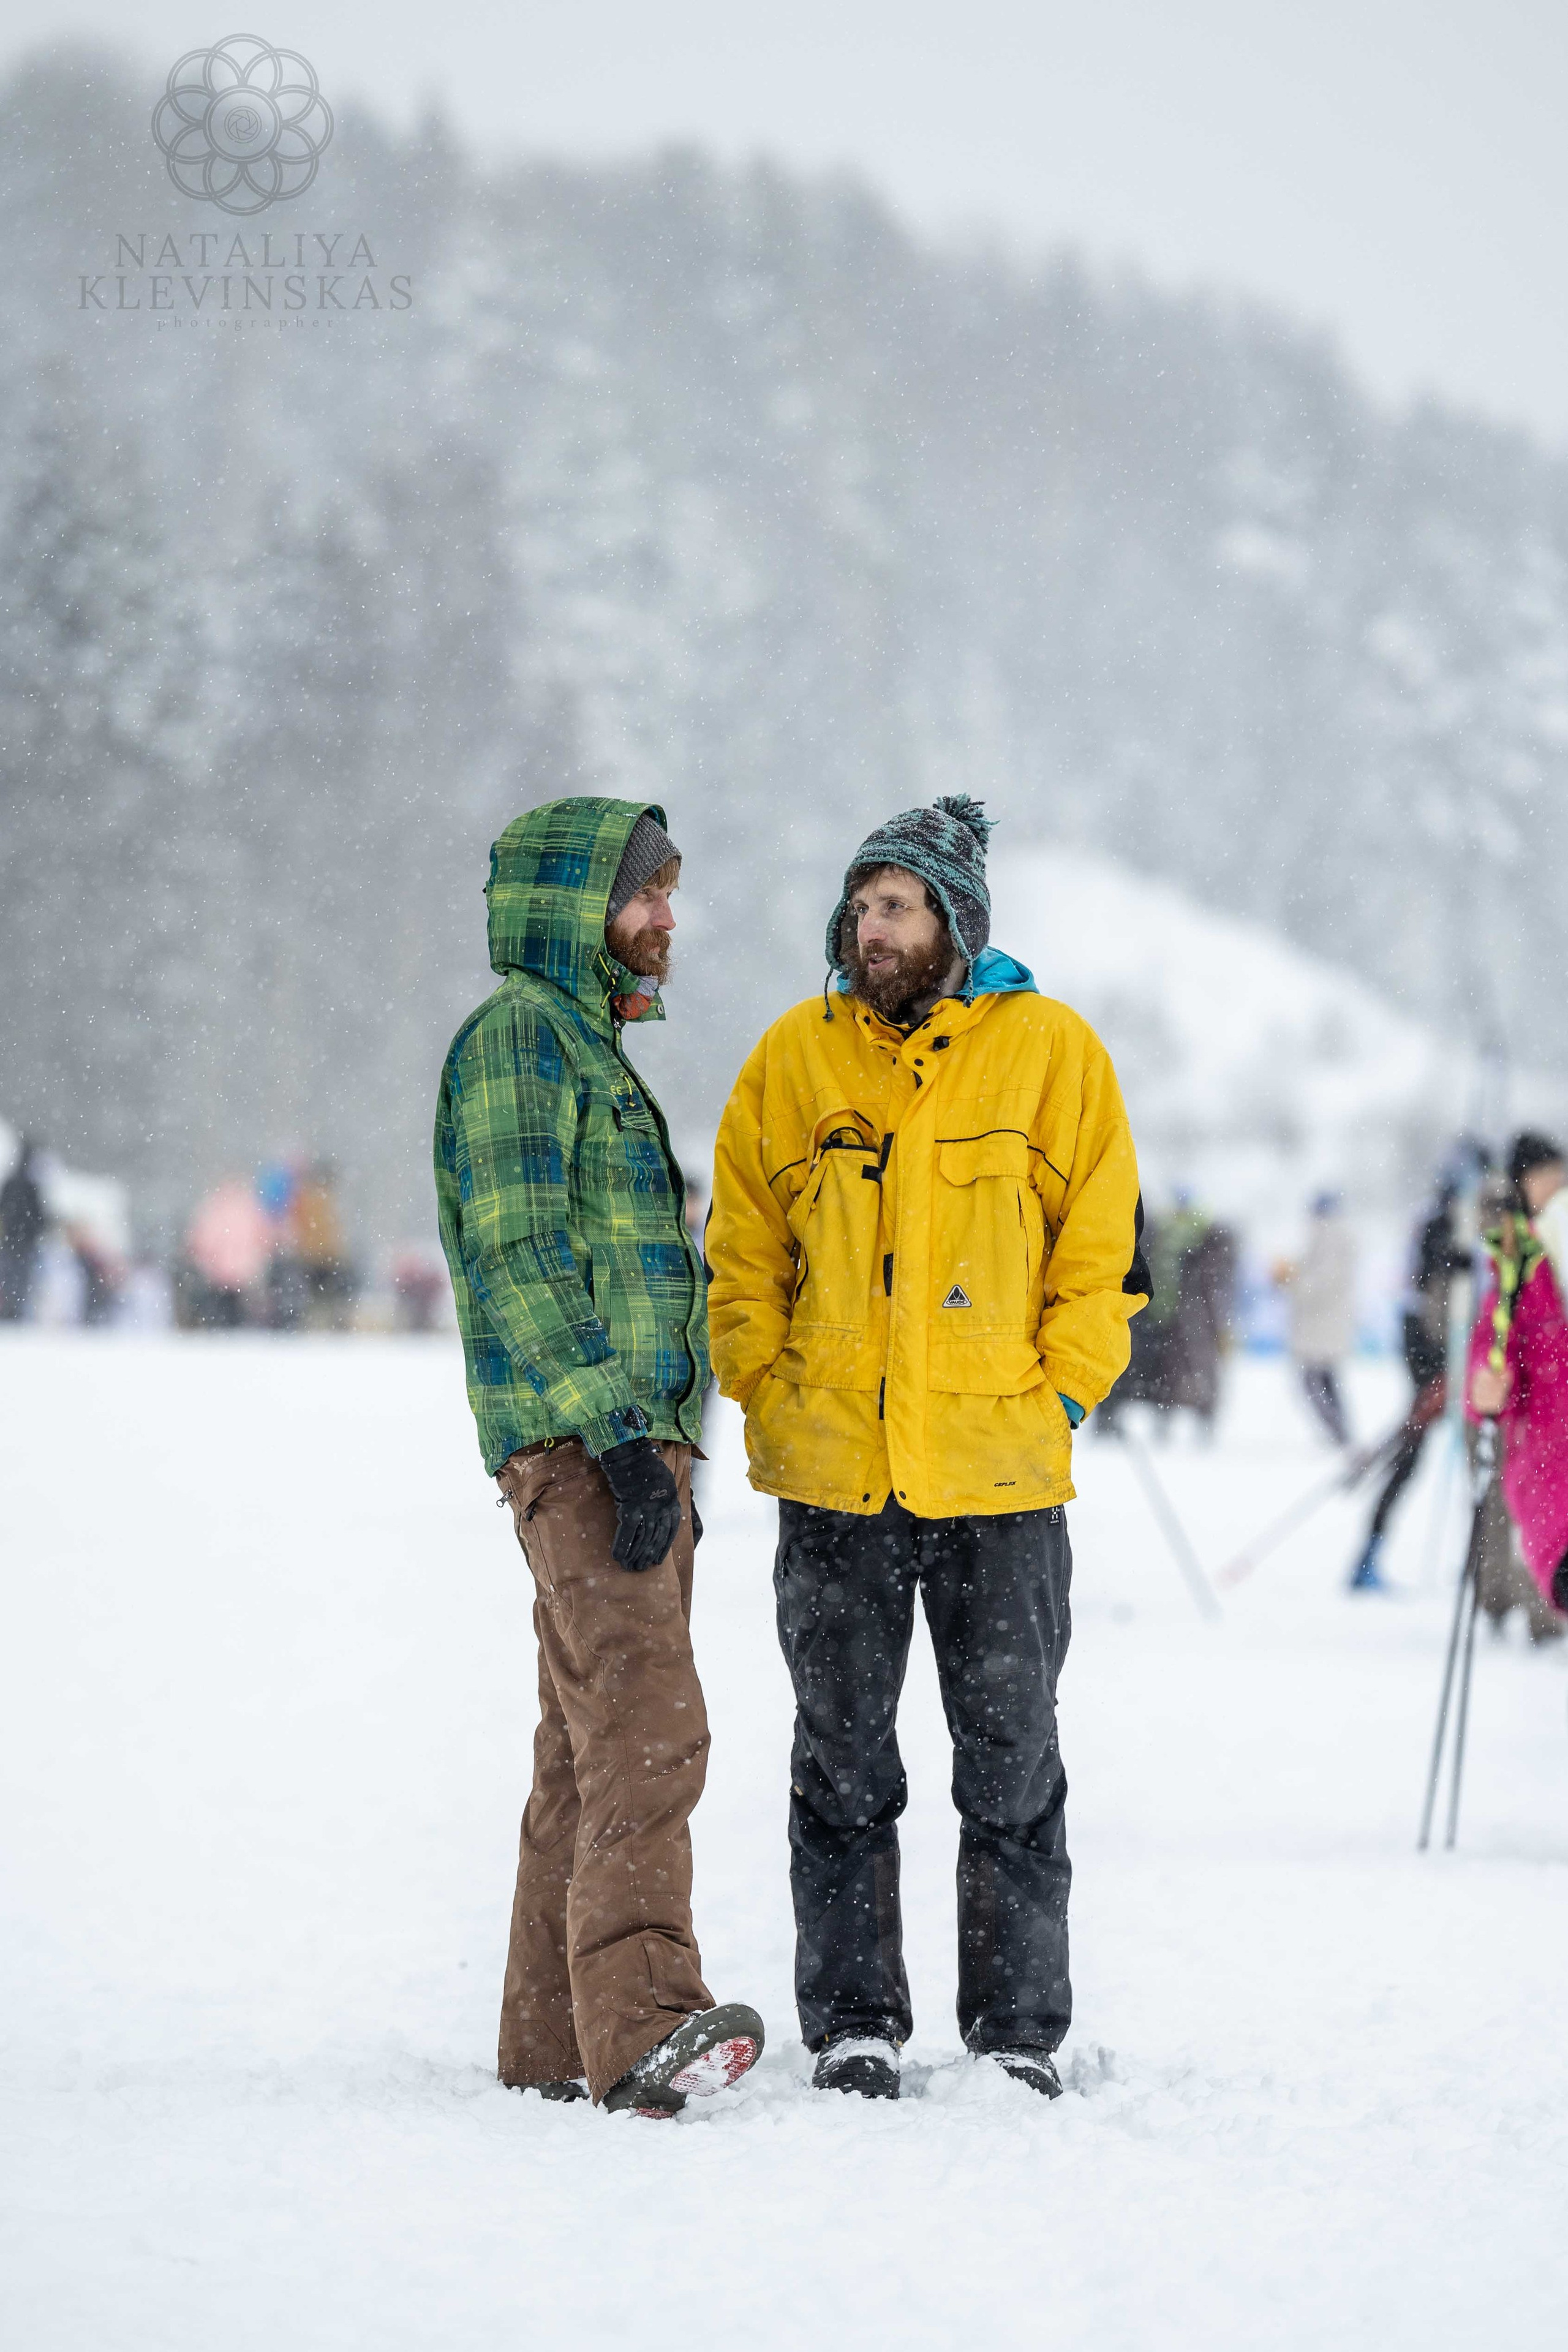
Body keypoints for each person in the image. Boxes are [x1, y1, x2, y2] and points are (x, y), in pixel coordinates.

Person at [707, 793, 1148, 2103]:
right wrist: (761, 1377)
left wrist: (1061, 1396)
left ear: (954, 919)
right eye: (860, 904)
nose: (870, 926)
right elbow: (740, 1247)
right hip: (833, 1473)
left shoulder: (1052, 1055)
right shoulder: (793, 1058)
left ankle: (1014, 2030)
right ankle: (853, 2024)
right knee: (839, 1762)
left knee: (1007, 1762)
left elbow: (1098, 1253)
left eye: (895, 904)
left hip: (999, 1474)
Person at [434, 796, 763, 2117]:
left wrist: (669, 1444)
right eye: (646, 897)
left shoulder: (586, 1046)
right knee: (645, 1728)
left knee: (584, 1748)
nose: (666, 919)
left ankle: (549, 2040)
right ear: (581, 908)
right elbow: (517, 1254)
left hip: (633, 1447)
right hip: (585, 1445)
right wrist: (623, 1437)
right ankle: (643, 2028)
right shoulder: (521, 1040)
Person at [1345, 1174, 1470, 1593]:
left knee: (1460, 1463)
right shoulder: (1441, 1228)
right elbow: (1424, 1301)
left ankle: (1477, 1568)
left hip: (1443, 1358)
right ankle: (1369, 1556)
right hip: (1433, 1358)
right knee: (1412, 1458)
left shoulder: (1448, 1226)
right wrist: (1434, 1373)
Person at [1466, 1135, 1568, 1634]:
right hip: (1551, 1475)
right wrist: (1484, 1387)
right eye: (1543, 1175)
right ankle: (1509, 1605)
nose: (1556, 1184)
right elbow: (1489, 1356)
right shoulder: (1518, 1264)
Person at [1280, 1193, 1357, 1446]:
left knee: (1314, 1381)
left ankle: (1339, 1433)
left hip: (1321, 1325)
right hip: (1322, 1325)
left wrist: (1291, 1280)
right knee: (1324, 1380)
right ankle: (1341, 1432)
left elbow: (1322, 1283)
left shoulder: (1331, 1238)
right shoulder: (1332, 1237)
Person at [0, 1137, 50, 1322]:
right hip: (25, 1242)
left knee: (8, 1278)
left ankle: (8, 1311)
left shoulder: (11, 1181)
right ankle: (16, 1311)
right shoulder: (33, 1185)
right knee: (22, 1279)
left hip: (11, 1241)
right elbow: (40, 1216)